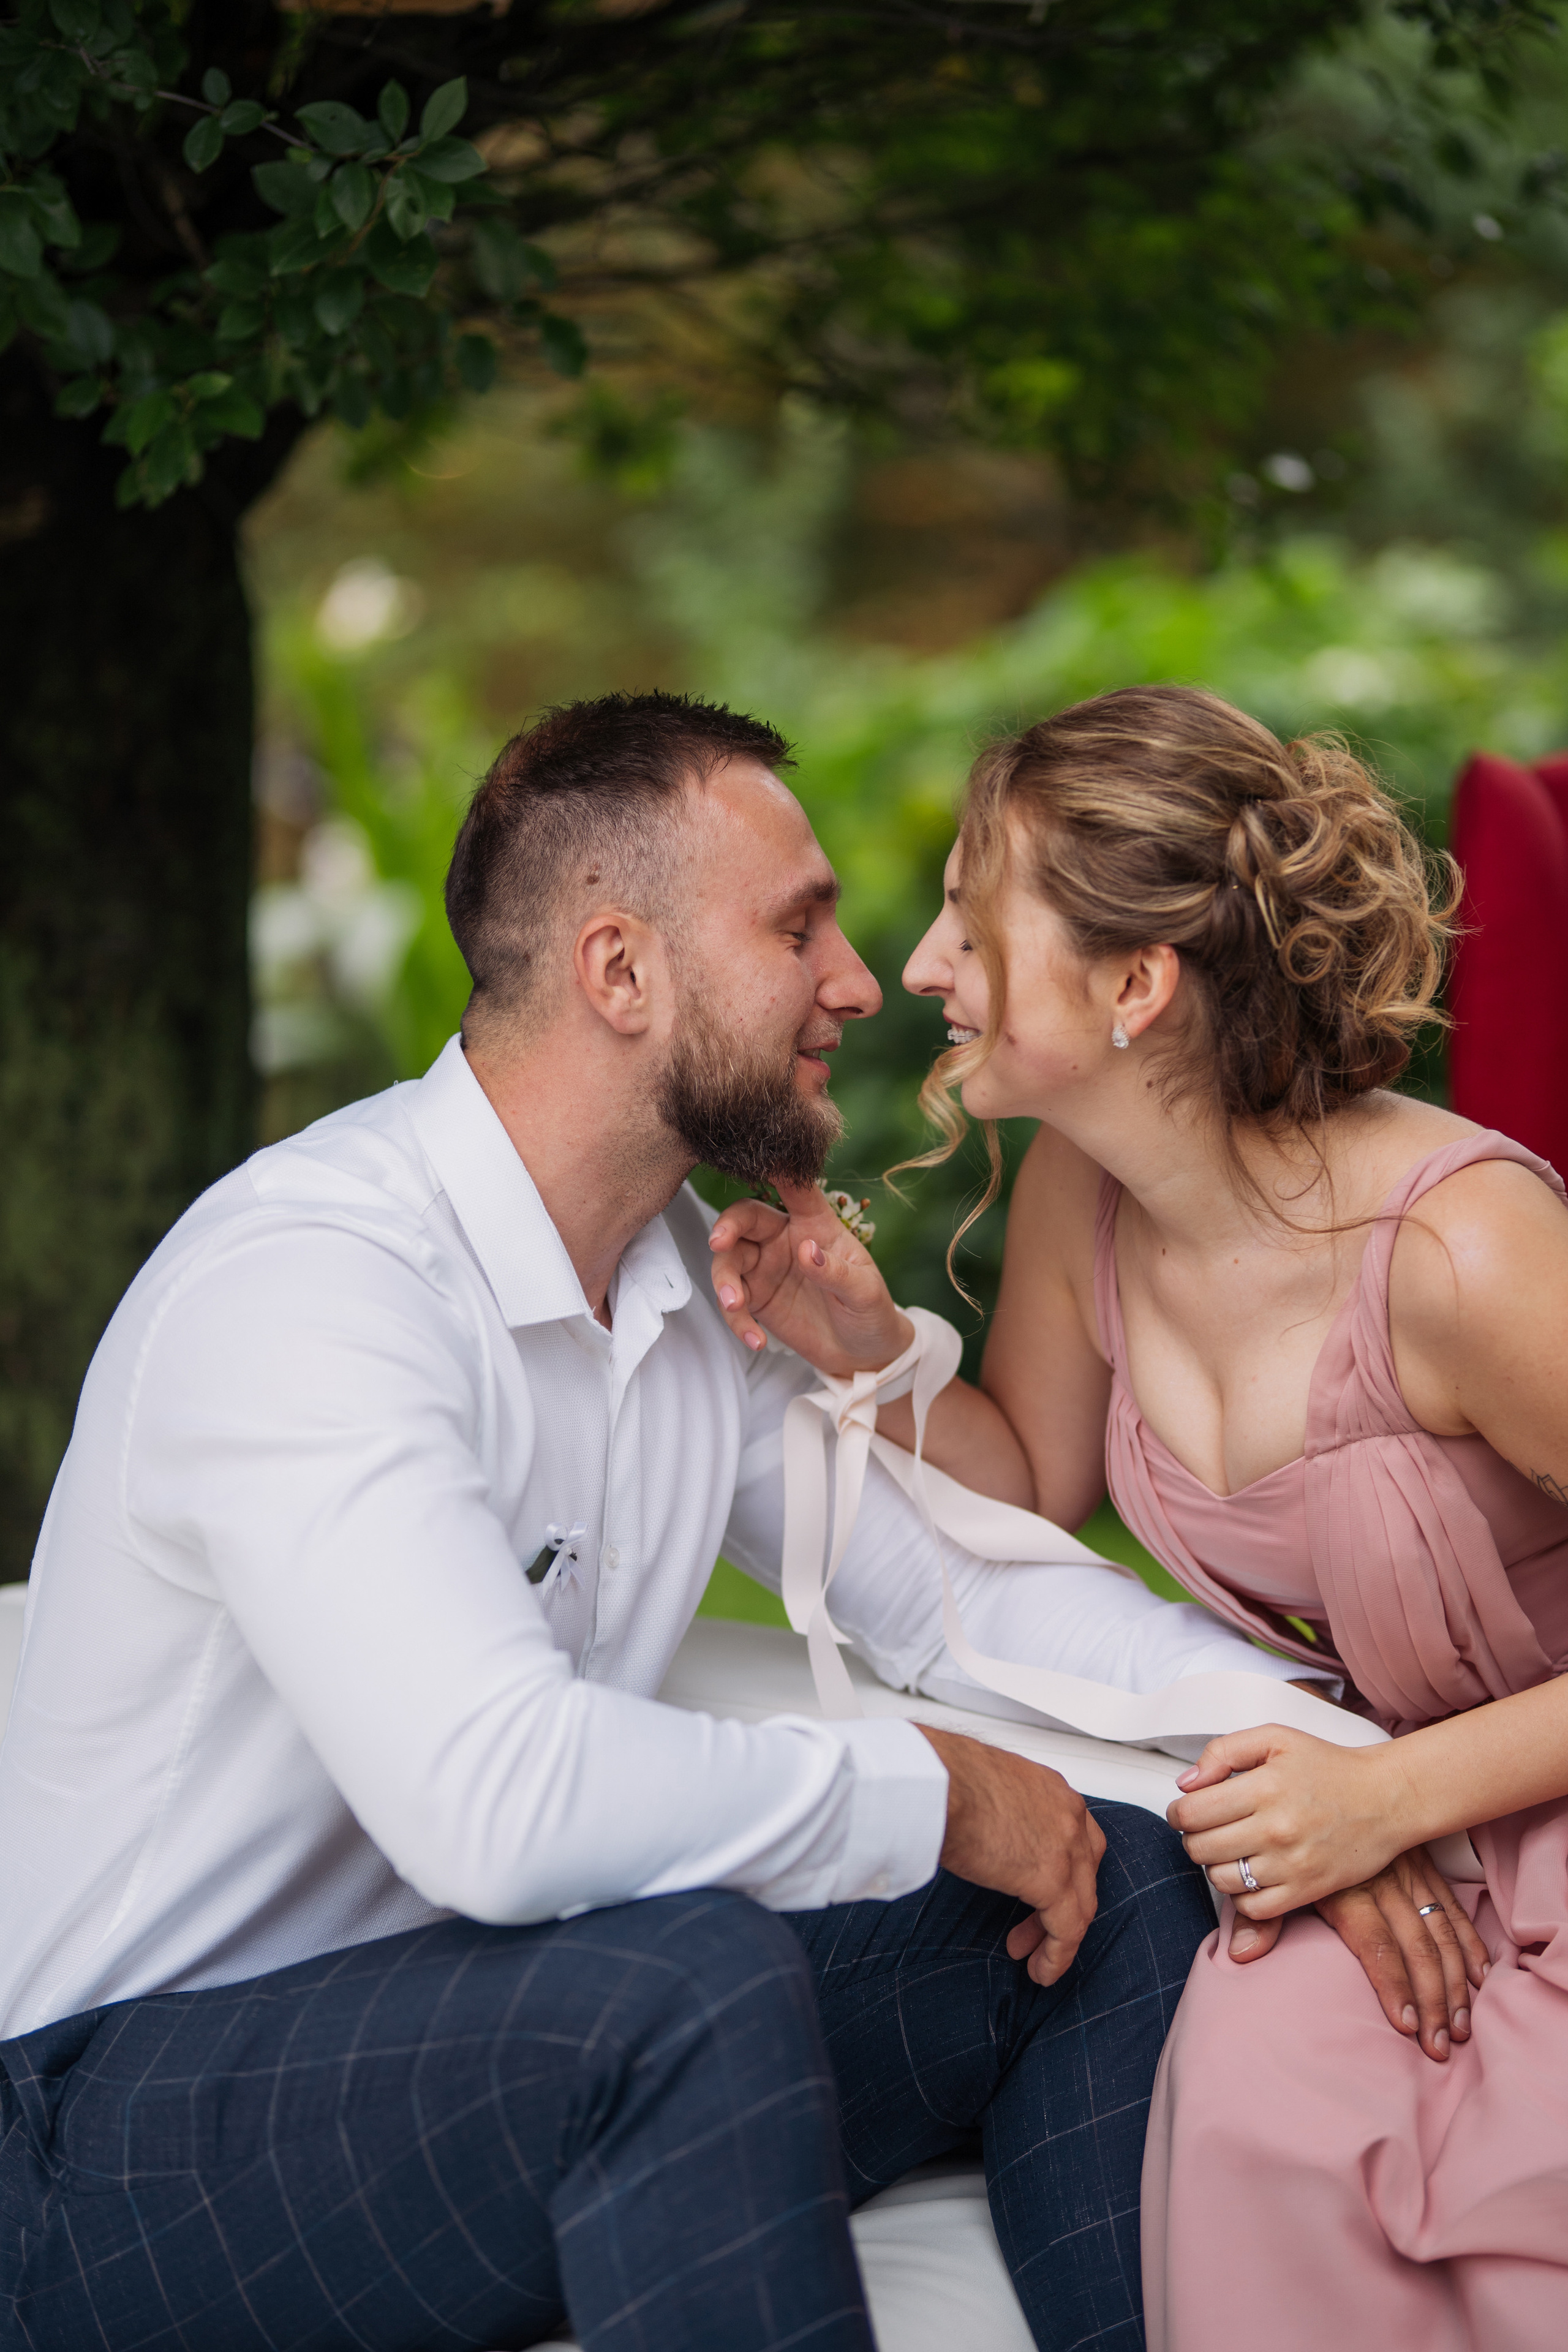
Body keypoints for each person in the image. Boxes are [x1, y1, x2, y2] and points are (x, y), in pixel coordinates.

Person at [0, 692, 1305, 2352]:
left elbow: (955, 1598)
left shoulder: (689, 1282)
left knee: (1121, 1882)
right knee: (688, 1983)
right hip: (100, 2145)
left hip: (492, 2055)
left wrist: (1335, 1751)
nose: (858, 980)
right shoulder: (318, 1284)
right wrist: (932, 1788)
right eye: (798, 926)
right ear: (620, 973)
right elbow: (500, 1806)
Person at [823, 681, 1568, 2349]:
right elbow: (1031, 1478)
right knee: (1245, 2118)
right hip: (1354, 1819)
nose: (923, 965)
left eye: (969, 912)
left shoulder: (1462, 1257)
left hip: (1478, 1794)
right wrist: (863, 1345)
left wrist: (1393, 1799)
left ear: (1138, 985)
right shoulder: (1090, 1186)